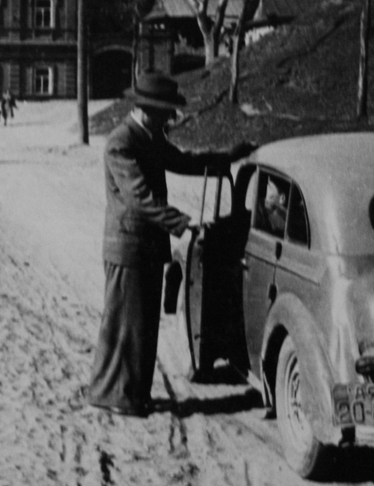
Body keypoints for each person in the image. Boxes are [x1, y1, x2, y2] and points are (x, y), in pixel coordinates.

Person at [86, 73, 256, 417]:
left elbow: (184, 161)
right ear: (147, 108)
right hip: (128, 246)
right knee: (126, 325)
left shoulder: (149, 137)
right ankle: (115, 396)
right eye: (166, 113)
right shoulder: (122, 142)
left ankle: (132, 394)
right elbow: (139, 198)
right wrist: (183, 222)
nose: (170, 119)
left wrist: (227, 157)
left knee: (143, 325)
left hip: (145, 247)